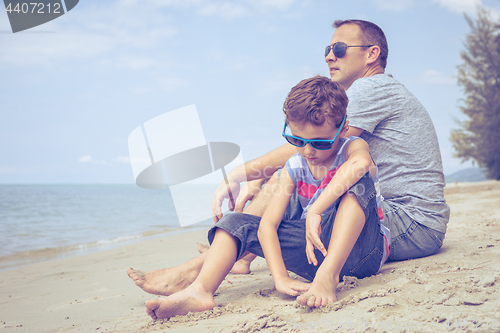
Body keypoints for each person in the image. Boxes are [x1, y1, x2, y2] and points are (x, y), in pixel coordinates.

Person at [128, 18, 449, 299]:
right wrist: (262, 176)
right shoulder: (373, 91)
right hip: (394, 219)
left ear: (372, 54)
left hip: (412, 225)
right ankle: (238, 253)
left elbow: (313, 143)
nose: (328, 56)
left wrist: (243, 173)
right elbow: (311, 150)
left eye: (339, 49)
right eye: (327, 48)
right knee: (297, 171)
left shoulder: (371, 88)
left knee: (298, 169)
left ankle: (200, 266)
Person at [140, 76, 390, 319]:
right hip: (313, 254)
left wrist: (316, 210)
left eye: (320, 142)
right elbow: (267, 226)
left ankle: (328, 277)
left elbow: (360, 164)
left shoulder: (352, 148)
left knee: (358, 181)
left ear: (343, 127)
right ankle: (200, 290)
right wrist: (279, 276)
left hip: (362, 253)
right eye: (297, 140)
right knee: (236, 222)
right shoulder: (296, 166)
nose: (308, 151)